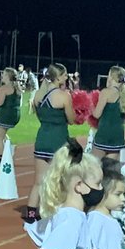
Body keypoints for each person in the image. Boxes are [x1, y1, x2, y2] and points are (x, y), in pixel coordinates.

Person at [25, 64, 76, 226]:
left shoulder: (39, 94)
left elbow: (41, 116)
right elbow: (72, 119)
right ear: (58, 77)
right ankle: (57, 213)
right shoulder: (63, 96)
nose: (67, 77)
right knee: (61, 180)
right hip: (59, 140)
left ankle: (30, 215)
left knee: (39, 181)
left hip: (42, 139)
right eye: (65, 75)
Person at [90, 66, 125, 155]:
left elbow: (96, 115)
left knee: (94, 166)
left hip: (104, 133)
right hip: (118, 135)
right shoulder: (124, 95)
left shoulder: (106, 92)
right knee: (110, 167)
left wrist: (90, 106)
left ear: (112, 77)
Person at [0, 67, 22, 167]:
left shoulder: (4, 88)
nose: (2, 76)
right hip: (15, 114)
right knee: (2, 133)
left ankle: (1, 161)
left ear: (8, 76)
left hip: (5, 115)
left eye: (3, 74)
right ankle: (9, 146)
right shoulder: (17, 87)